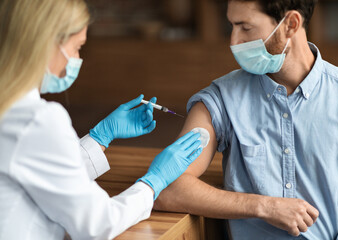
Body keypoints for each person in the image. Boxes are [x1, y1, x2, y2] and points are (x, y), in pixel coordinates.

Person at [154, 0, 338, 239]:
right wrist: (264, 206)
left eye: (246, 27)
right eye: (231, 25)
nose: (233, 41)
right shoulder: (221, 100)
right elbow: (165, 187)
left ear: (291, 25)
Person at [0, 0, 203, 239]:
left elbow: (46, 172)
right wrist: (153, 182)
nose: (76, 59)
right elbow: (98, 224)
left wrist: (100, 137)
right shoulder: (37, 120)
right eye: (77, 47)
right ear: (45, 43)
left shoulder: (13, 111)